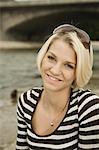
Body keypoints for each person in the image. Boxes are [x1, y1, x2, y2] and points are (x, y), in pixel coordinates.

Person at [16, 24, 99, 150]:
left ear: (78, 71)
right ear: (43, 56)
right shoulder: (27, 101)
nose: (55, 70)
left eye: (69, 65)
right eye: (51, 58)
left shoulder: (88, 108)